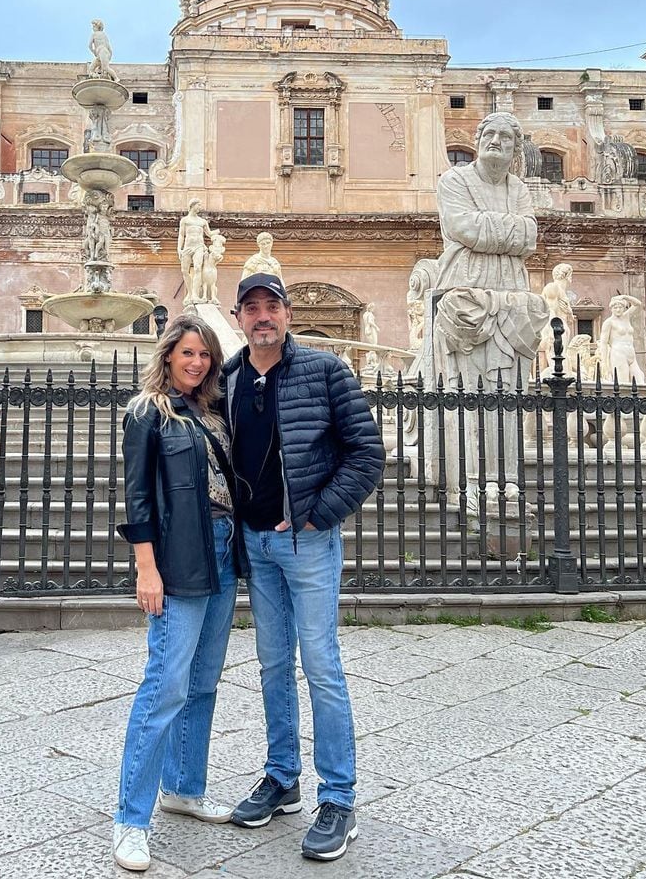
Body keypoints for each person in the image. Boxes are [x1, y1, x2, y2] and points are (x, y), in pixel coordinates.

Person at [224, 273, 384, 862]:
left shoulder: (326, 371)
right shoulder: (231, 378)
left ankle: (338, 798)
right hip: (258, 545)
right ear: (238, 316)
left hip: (307, 544)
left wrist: (319, 514)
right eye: (251, 308)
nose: (262, 316)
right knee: (271, 665)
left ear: (287, 314)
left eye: (271, 306)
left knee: (320, 664)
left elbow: (366, 454)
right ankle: (282, 777)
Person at [114, 315, 245, 872]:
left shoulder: (214, 413)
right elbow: (138, 497)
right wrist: (147, 567)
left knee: (203, 681)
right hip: (178, 554)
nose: (197, 363)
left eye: (205, 356)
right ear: (168, 355)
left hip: (223, 548)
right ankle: (131, 819)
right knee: (164, 684)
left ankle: (184, 787)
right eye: (188, 353)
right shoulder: (147, 412)